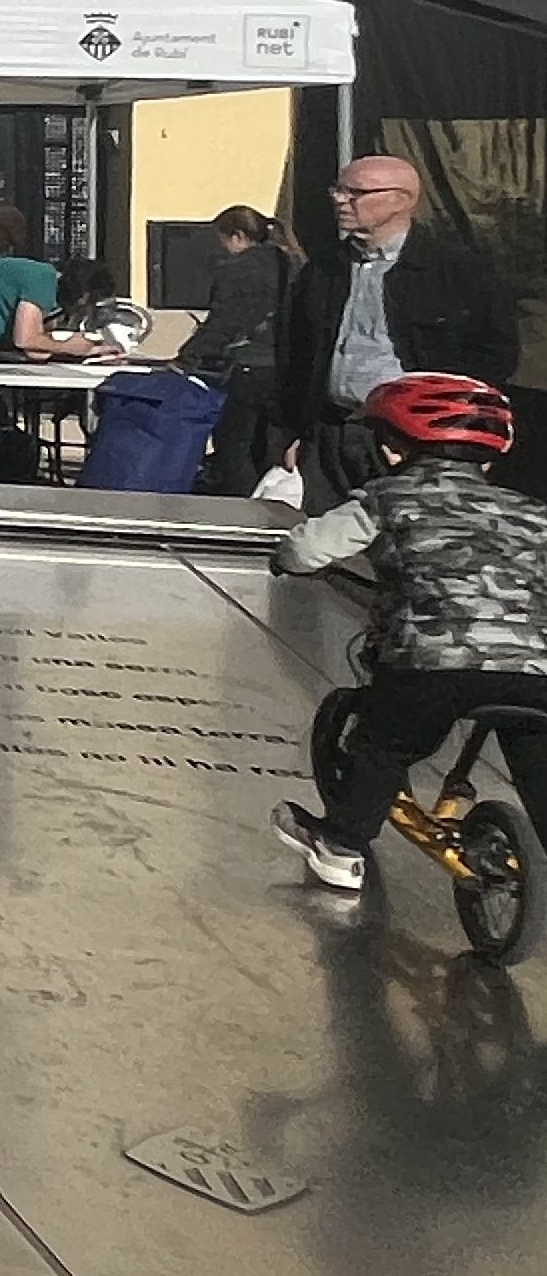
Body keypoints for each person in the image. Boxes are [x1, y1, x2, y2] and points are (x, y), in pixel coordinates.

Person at [267, 372, 547, 892]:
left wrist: (285, 560)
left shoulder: (387, 498)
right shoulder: (533, 514)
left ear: (392, 450)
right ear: (489, 459)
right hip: (534, 667)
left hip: (431, 662)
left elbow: (306, 549)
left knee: (383, 745)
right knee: (538, 761)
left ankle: (342, 845)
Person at [275, 156, 521, 511]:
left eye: (355, 192)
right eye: (338, 190)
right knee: (327, 543)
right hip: (331, 434)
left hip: (414, 441)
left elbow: (495, 356)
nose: (340, 200)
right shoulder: (324, 270)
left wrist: (453, 436)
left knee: (403, 540)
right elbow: (295, 354)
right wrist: (294, 432)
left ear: (401, 200)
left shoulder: (456, 272)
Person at [179, 203, 293, 495]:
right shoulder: (291, 263)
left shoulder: (237, 269)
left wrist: (188, 357)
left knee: (234, 445)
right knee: (270, 447)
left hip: (246, 366)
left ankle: (239, 508)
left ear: (237, 236)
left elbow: (225, 322)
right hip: (286, 367)